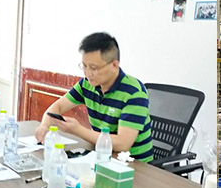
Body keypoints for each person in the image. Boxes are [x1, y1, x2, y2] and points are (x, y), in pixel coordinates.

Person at [35, 32, 153, 162]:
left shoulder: (134, 93)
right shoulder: (87, 84)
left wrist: (77, 130)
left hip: (134, 164)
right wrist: (45, 125)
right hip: (101, 156)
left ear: (114, 65)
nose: (87, 73)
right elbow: (57, 107)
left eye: (93, 68)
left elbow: (122, 144)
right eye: (84, 66)